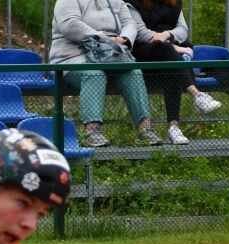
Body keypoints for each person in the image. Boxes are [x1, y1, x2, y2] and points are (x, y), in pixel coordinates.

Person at [49, 0, 163, 147]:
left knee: (133, 71)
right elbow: (69, 24)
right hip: (73, 57)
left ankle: (145, 129)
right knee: (94, 72)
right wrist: (103, 38)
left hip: (110, 55)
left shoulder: (118, 1)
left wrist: (124, 39)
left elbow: (130, 24)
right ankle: (92, 131)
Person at [126, 0, 221, 145]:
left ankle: (174, 128)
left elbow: (183, 29)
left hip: (170, 51)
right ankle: (196, 95)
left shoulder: (174, 3)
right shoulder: (132, 3)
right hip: (145, 51)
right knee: (170, 53)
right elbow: (141, 33)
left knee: (172, 67)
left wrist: (167, 35)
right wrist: (177, 48)